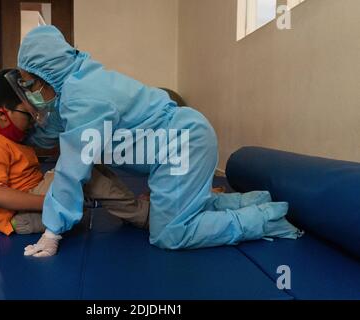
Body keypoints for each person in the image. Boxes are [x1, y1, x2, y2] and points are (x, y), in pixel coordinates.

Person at [16, 26, 302, 258]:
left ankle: (265, 219)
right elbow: (55, 126)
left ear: (46, 74)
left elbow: (71, 167)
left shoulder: (82, 97)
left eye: (30, 84)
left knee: (170, 234)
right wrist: (24, 126)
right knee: (182, 212)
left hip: (183, 144)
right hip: (183, 141)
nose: (30, 92)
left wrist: (52, 230)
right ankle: (250, 200)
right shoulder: (76, 82)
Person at [0, 69, 150, 252]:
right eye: (28, 114)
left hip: (31, 204)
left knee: (86, 164)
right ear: (1, 115)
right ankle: (143, 215)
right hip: (20, 218)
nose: (33, 121)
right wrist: (51, 201)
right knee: (82, 170)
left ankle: (130, 209)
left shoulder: (7, 138)